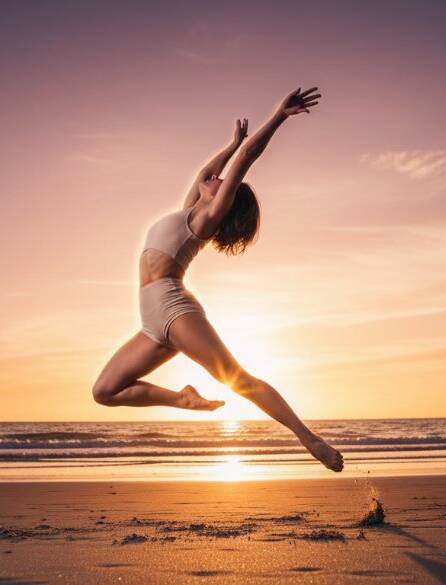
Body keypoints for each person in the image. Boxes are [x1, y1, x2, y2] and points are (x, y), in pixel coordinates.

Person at [92, 87, 343, 472]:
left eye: (223, 183)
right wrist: (231, 144)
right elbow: (204, 173)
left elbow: (247, 159)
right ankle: (183, 399)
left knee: (238, 379)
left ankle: (310, 440)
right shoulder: (188, 212)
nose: (215, 179)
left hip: (174, 310)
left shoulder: (206, 218)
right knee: (105, 391)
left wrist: (278, 116)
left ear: (226, 199)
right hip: (151, 323)